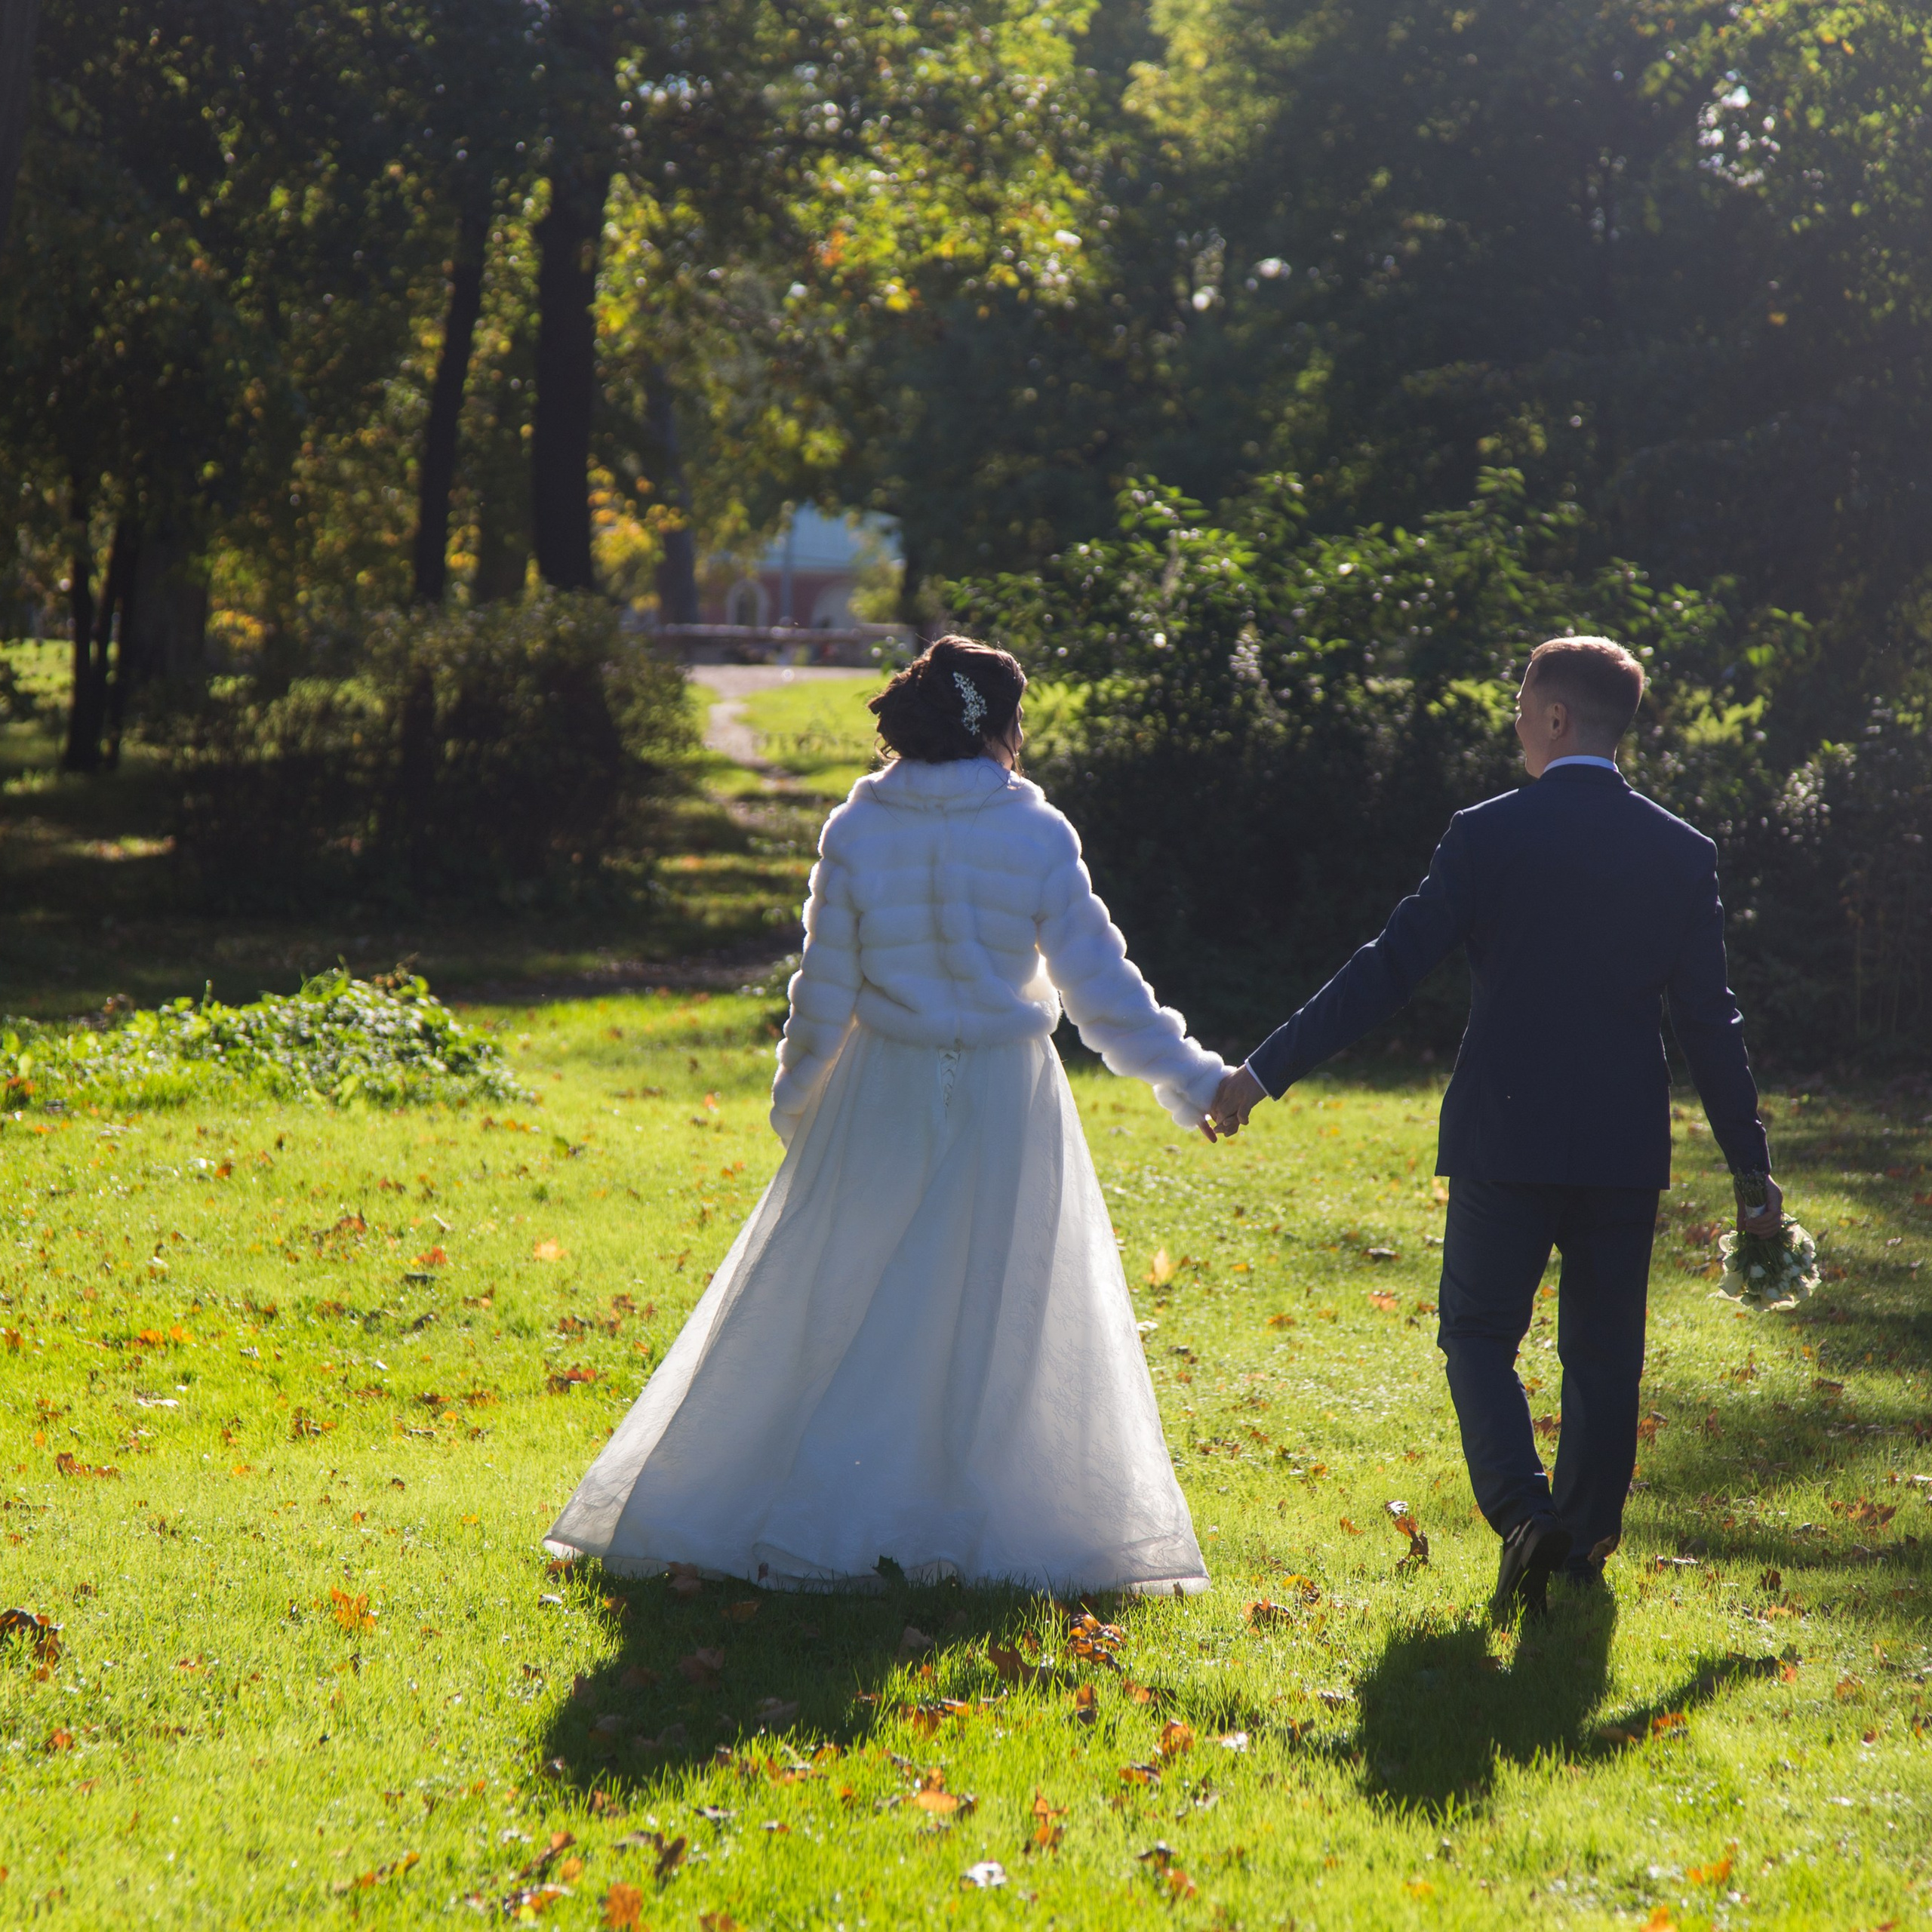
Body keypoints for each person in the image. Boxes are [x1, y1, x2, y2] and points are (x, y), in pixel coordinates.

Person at [546, 636, 1226, 1595]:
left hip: (882, 1090)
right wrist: (1194, 1081)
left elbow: (821, 992)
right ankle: (985, 1520)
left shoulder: (858, 828)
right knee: (994, 1314)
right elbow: (1103, 992)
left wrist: (802, 1106)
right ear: (996, 726)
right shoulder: (1033, 831)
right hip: (1004, 1099)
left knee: (845, 1303)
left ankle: (817, 1508)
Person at [1210, 636, 1781, 1622]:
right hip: (1619, 1142)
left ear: (1558, 718)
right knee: (1605, 1353)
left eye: (1524, 705)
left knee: (1477, 1334)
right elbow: (1710, 1025)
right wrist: (1753, 1172)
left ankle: (1524, 1513)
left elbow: (1386, 970)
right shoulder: (1681, 853)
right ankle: (1583, 1544)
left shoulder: (1486, 835)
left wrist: (1261, 1074)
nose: (1515, 721)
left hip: (1503, 1135)